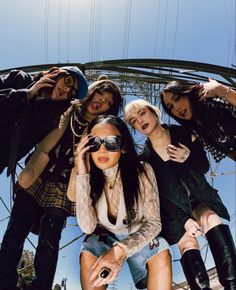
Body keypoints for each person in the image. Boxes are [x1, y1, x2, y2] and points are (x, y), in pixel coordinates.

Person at [0, 76, 123, 290]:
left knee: (49, 246)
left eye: (107, 104)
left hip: (64, 187)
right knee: (14, 234)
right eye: (99, 96)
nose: (100, 103)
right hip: (37, 175)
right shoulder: (65, 106)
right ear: (91, 93)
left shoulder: (98, 131)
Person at [124, 99, 236, 290]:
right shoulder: (145, 160)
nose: (139, 121)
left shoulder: (182, 133)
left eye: (142, 113)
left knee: (211, 218)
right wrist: (184, 221)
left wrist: (188, 157)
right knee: (187, 243)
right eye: (133, 121)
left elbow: (203, 166)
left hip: (198, 198)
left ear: (153, 112)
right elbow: (158, 198)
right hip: (172, 210)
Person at [68, 115, 172, 290]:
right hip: (105, 238)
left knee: (162, 251)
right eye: (94, 143)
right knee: (87, 251)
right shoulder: (88, 179)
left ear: (123, 147)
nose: (102, 150)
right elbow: (87, 227)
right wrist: (82, 171)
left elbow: (154, 223)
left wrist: (120, 250)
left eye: (112, 142)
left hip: (139, 235)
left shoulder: (142, 171)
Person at [0, 66, 88, 176]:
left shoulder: (48, 123)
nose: (67, 90)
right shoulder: (19, 79)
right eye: (68, 81)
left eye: (72, 93)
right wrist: (27, 94)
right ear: (57, 74)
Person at [160, 79, 236, 162]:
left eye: (177, 98)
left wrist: (220, 89)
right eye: (170, 107)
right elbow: (229, 153)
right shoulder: (197, 132)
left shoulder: (212, 100)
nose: (176, 108)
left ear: (186, 93)